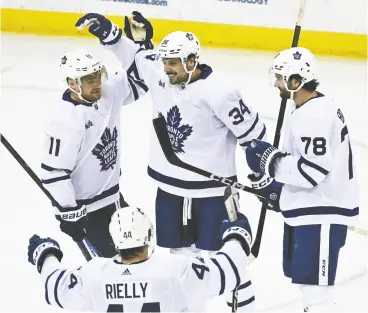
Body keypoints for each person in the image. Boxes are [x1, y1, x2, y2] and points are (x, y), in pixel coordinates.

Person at [75, 12, 266, 260]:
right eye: (165, 62)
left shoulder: (221, 90)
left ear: (191, 61)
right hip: (169, 188)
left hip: (212, 191)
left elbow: (253, 136)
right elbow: (135, 56)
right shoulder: (160, 73)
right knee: (177, 258)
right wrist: (109, 33)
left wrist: (264, 175)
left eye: (173, 63)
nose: (166, 68)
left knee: (218, 257)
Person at [245, 47, 360, 312]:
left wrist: (270, 162)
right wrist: (282, 192)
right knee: (311, 289)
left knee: (317, 293)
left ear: (295, 81)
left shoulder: (313, 116)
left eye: (280, 78)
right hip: (314, 207)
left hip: (322, 210)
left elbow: (312, 171)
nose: (276, 83)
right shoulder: (311, 107)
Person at [28, 206, 256, 312]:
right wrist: (237, 235)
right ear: (148, 236)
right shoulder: (176, 270)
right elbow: (228, 270)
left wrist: (45, 253)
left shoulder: (93, 274)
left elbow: (55, 287)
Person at [40, 48, 148, 257]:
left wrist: (140, 45)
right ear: (73, 84)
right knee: (111, 269)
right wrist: (70, 211)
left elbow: (141, 80)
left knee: (135, 259)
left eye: (98, 75)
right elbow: (53, 173)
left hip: (114, 198)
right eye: (89, 80)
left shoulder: (107, 92)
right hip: (88, 211)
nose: (97, 83)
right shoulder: (65, 122)